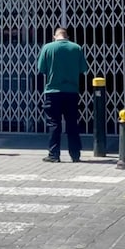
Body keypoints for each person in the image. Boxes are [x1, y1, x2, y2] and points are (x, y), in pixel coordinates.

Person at [37, 27, 88, 163]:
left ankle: (54, 155)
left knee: (54, 123)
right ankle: (75, 154)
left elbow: (41, 68)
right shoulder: (76, 48)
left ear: (55, 36)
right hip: (71, 92)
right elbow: (83, 68)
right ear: (67, 36)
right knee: (72, 123)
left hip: (53, 91)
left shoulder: (47, 48)